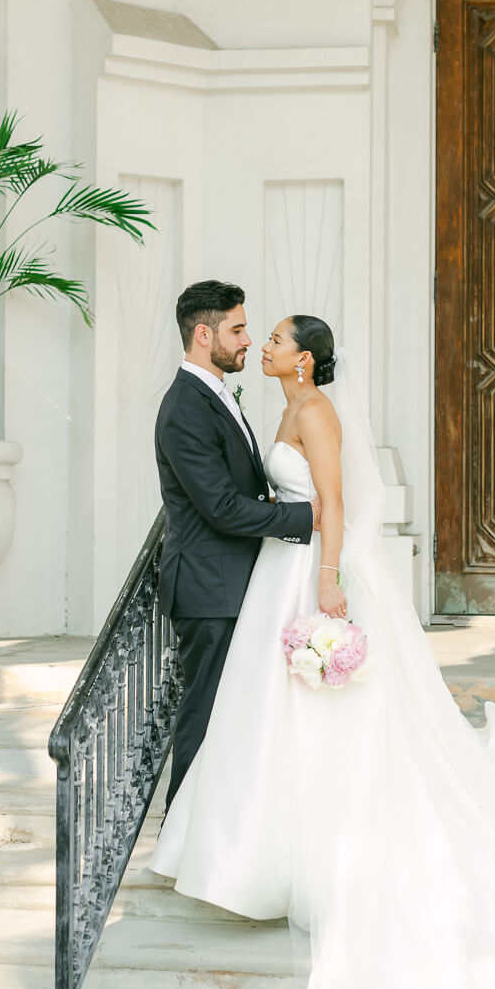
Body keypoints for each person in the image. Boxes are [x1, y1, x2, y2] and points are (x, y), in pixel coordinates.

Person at [151, 314, 495, 989]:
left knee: (320, 715)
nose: (266, 347)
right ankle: (249, 847)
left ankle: (295, 852)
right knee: (264, 712)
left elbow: (334, 504)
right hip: (276, 575)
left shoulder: (315, 411)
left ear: (305, 360)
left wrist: (329, 580)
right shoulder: (288, 407)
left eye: (277, 339)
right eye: (264, 336)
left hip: (310, 570)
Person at [155, 282, 320, 811]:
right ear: (204, 335)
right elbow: (221, 506)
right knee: (203, 714)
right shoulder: (185, 407)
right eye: (238, 329)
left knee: (233, 716)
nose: (249, 339)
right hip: (208, 588)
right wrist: (303, 517)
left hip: (234, 581)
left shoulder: (216, 393)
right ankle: (181, 834)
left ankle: (219, 828)